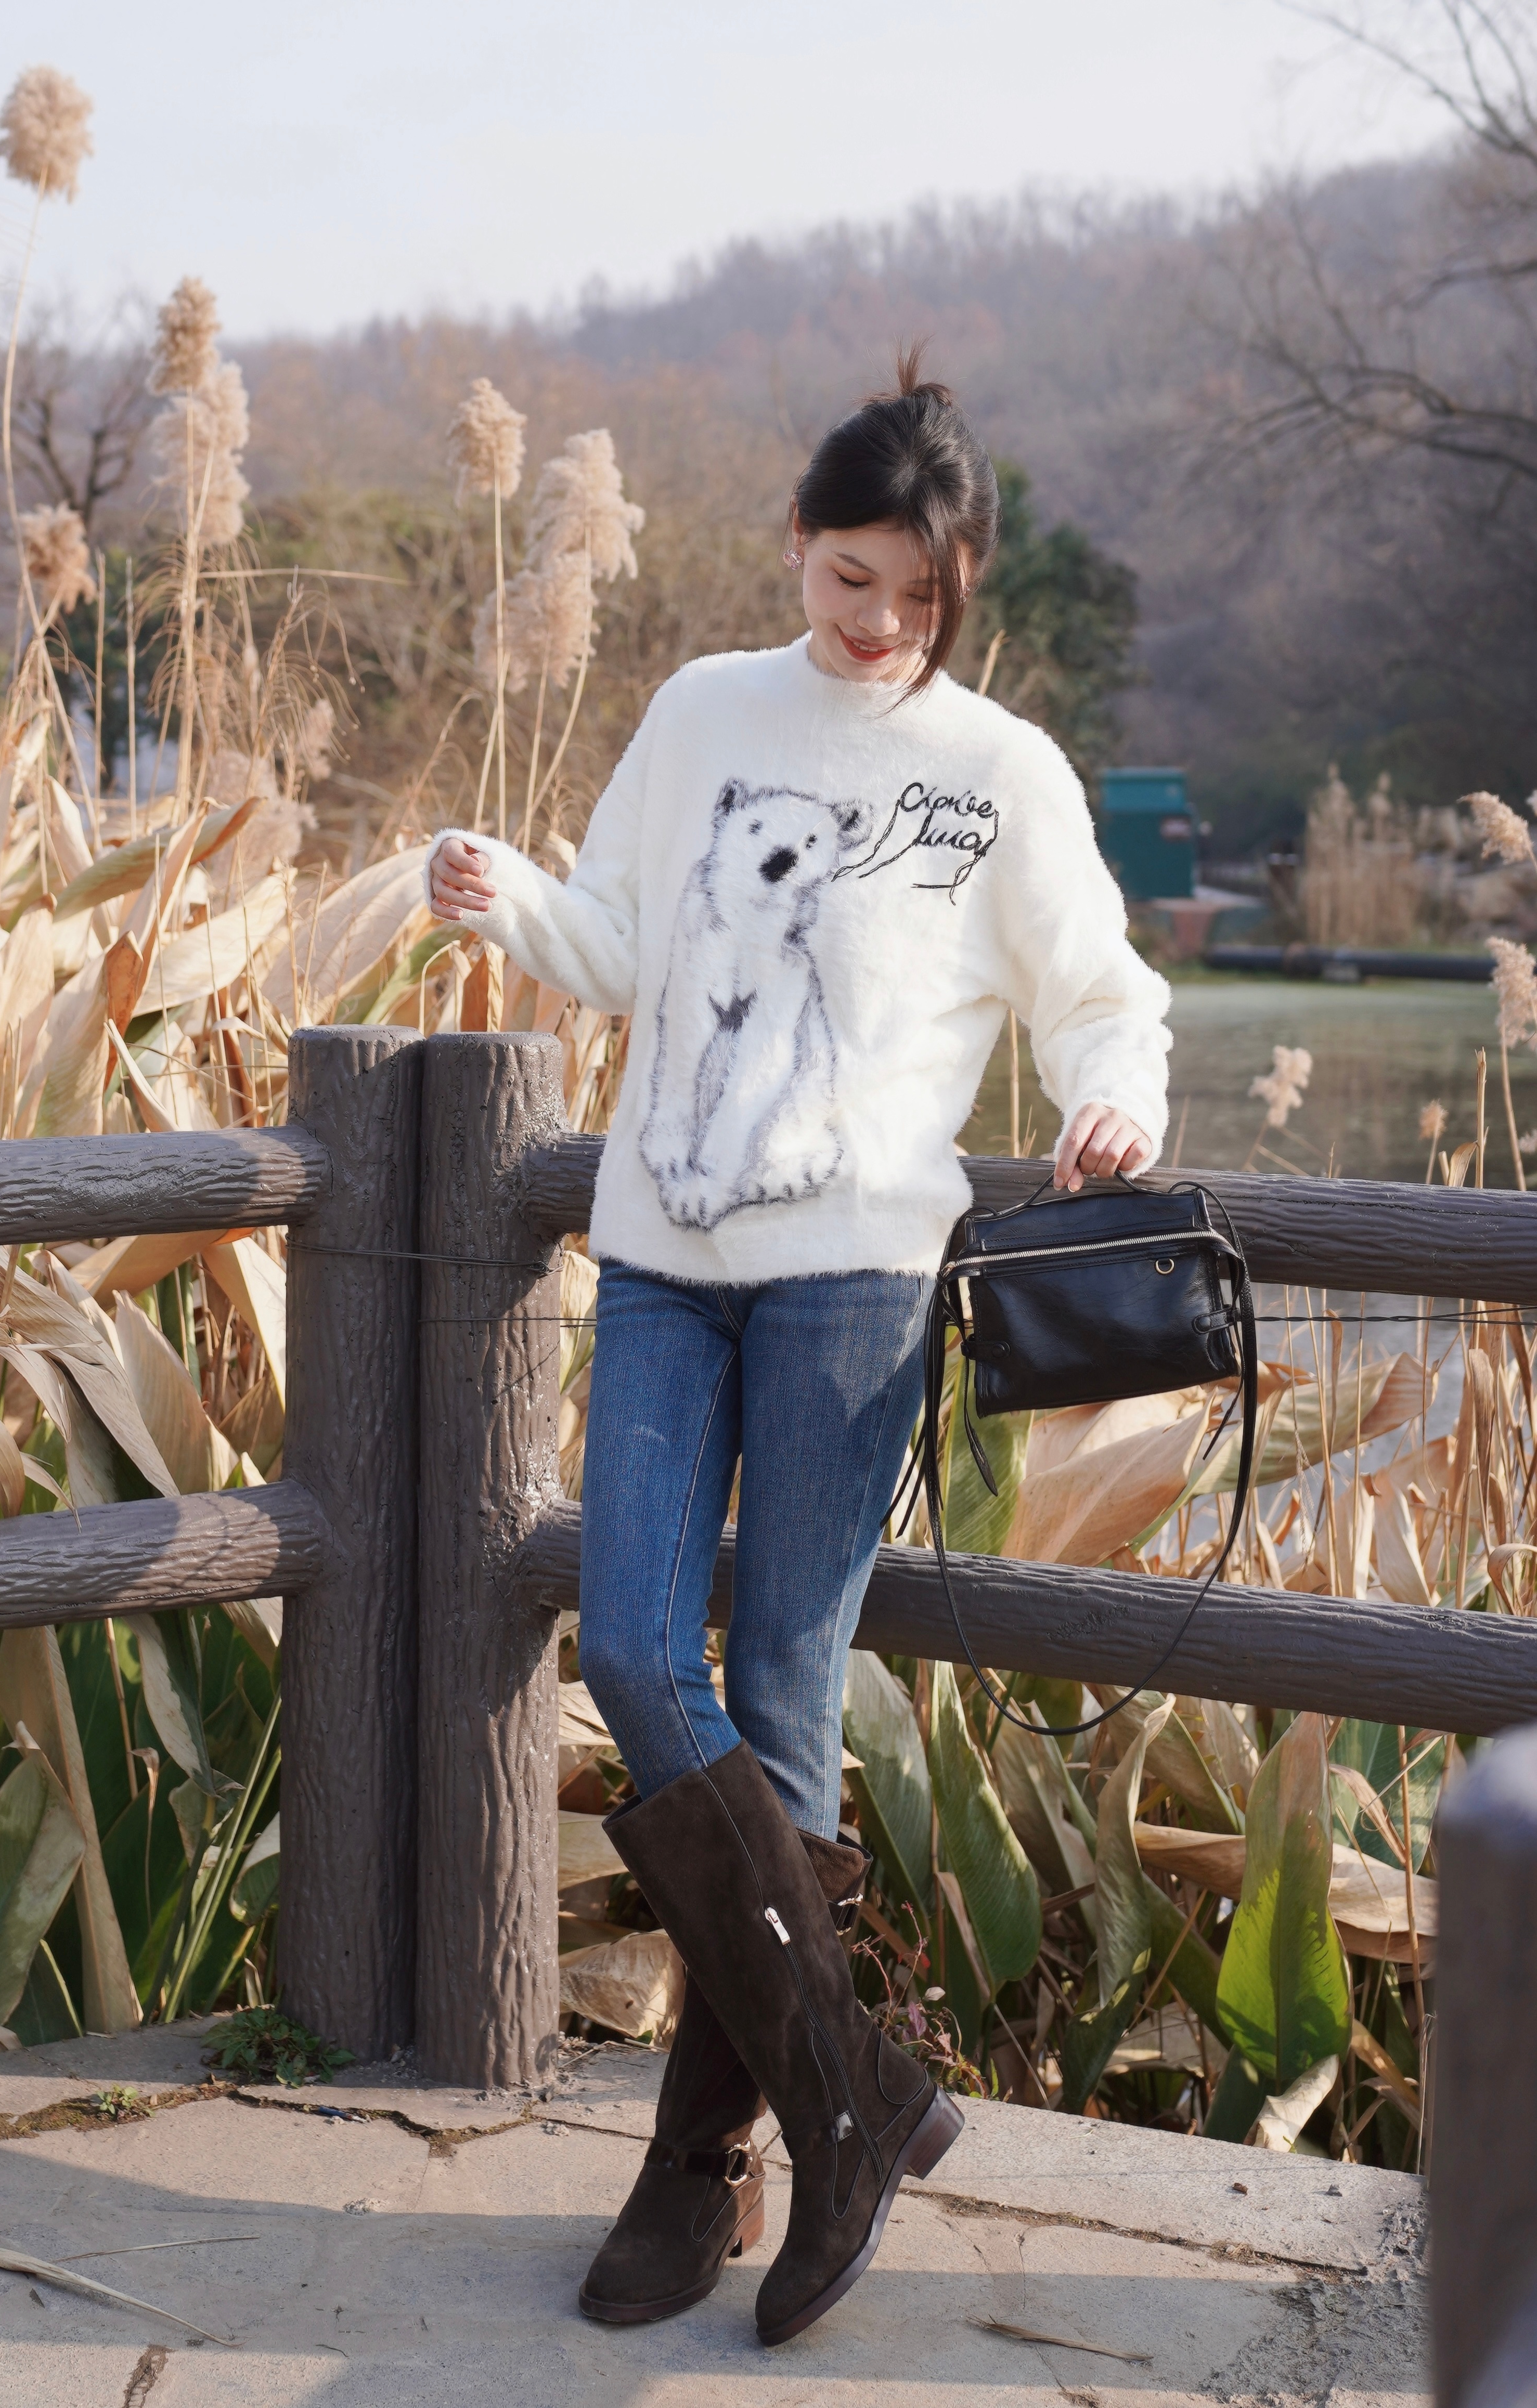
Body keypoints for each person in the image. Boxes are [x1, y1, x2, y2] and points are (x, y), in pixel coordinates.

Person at [426, 352, 1170, 2348]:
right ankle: (854, 2091)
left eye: (919, 601)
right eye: (851, 583)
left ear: (957, 590)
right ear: (798, 547)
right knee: (634, 1648)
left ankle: (704, 2165)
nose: (878, 630)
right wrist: (510, 900)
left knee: (780, 1685)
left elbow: (1100, 991)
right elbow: (619, 941)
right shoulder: (696, 715)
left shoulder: (997, 771)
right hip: (667, 1255)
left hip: (857, 1273)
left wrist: (1116, 1106)